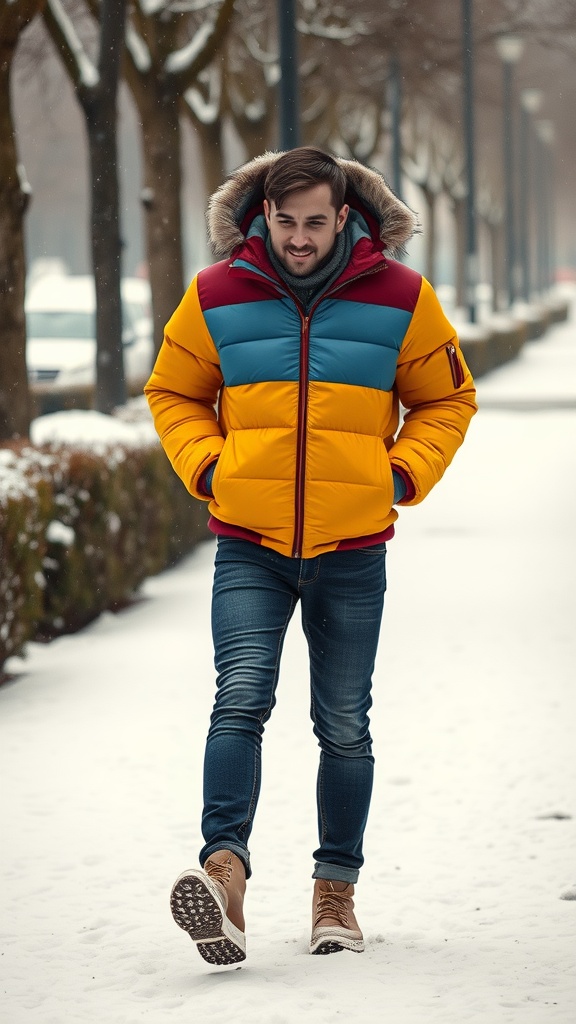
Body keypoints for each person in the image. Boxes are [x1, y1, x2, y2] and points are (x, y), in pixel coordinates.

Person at [144, 146, 477, 966]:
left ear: (345, 217)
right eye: (284, 222)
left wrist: (400, 472)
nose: (298, 238)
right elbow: (173, 391)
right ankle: (224, 877)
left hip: (354, 546)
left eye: (314, 222)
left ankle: (336, 894)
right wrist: (209, 466)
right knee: (240, 698)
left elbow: (447, 396)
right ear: (264, 215)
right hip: (250, 545)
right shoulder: (216, 293)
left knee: (344, 725)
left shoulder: (402, 296)